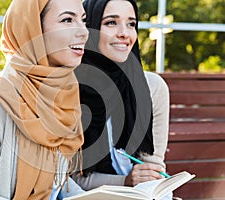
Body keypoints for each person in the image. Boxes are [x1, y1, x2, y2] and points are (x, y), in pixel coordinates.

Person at [0, 0, 88, 199]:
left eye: (83, 20)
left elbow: (54, 181)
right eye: (67, 20)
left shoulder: (63, 95)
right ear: (33, 30)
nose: (84, 32)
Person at [73, 0, 171, 198]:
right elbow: (69, 180)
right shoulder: (69, 88)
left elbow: (152, 167)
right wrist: (125, 182)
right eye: (111, 22)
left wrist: (150, 181)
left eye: (131, 24)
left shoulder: (152, 87)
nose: (124, 33)